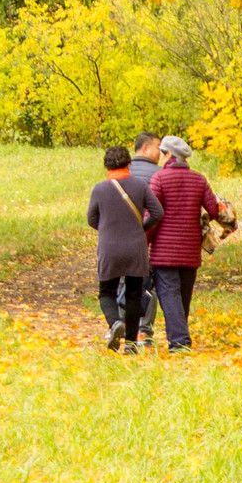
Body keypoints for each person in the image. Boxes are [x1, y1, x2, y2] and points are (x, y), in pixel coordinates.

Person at [146, 135, 226, 353]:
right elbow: (213, 209)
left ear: (170, 155)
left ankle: (179, 342)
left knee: (169, 294)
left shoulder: (159, 179)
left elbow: (152, 216)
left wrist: (143, 242)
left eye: (162, 153)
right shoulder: (199, 180)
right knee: (183, 296)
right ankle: (179, 336)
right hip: (190, 250)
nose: (160, 157)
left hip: (164, 251)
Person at [87, 144, 162, 355]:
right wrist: (140, 229)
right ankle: (130, 344)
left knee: (106, 292)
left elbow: (91, 219)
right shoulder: (139, 185)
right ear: (129, 164)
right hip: (135, 248)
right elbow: (157, 212)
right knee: (134, 294)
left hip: (109, 248)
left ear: (106, 166)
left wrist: (106, 229)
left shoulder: (99, 189)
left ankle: (114, 324)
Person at [127, 132, 165, 345]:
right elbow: (160, 211)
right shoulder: (158, 175)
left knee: (125, 282)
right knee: (148, 285)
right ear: (145, 149)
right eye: (158, 147)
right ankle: (144, 330)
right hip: (151, 238)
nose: (160, 152)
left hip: (123, 238)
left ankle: (121, 324)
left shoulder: (123, 174)